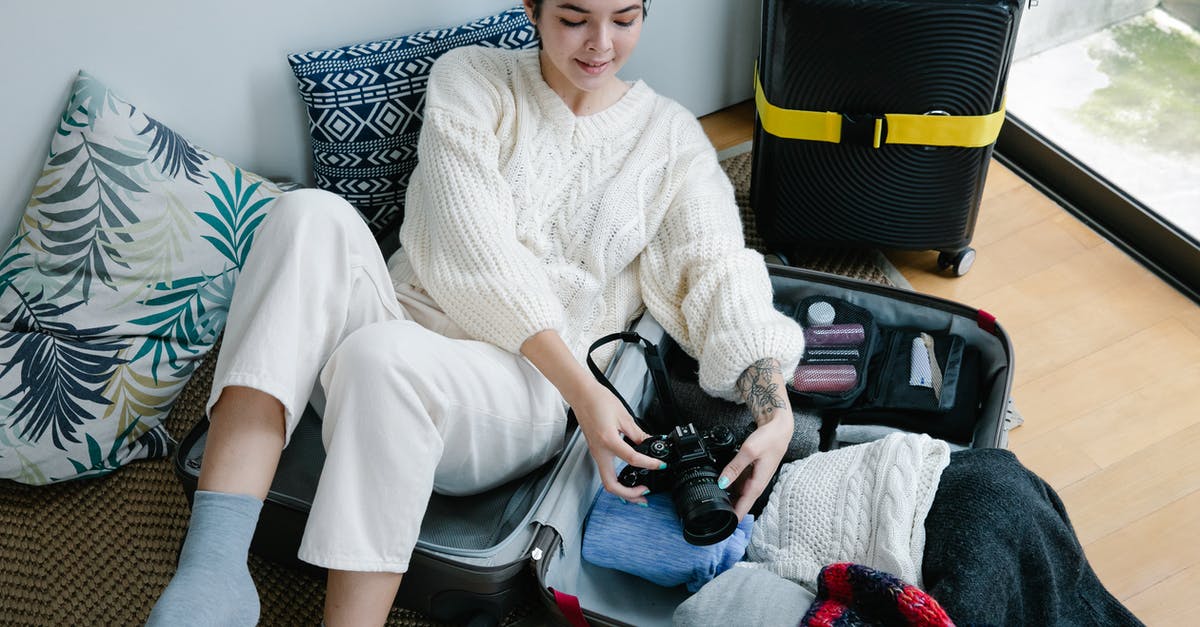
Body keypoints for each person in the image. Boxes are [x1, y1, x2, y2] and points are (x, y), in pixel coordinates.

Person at [146, 0, 805, 625]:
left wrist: (775, 405)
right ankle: (212, 573)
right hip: (409, 328)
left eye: (624, 19)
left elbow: (718, 271)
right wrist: (588, 393)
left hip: (517, 390)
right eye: (575, 19)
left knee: (383, 360)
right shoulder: (471, 77)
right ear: (531, 8)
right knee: (305, 213)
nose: (601, 44)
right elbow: (472, 244)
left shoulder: (670, 141)